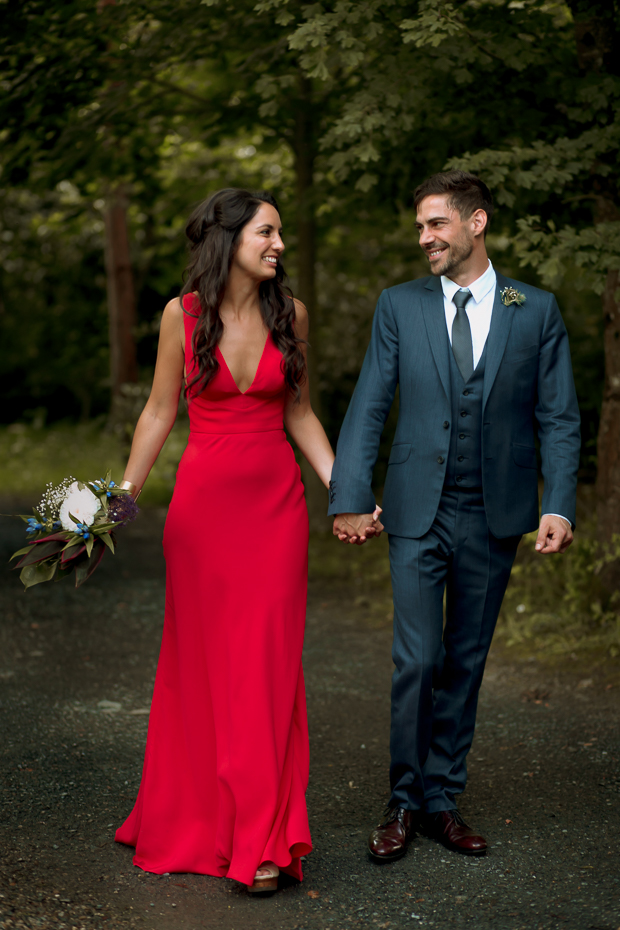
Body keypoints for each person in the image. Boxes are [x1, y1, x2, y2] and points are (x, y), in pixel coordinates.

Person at [328, 170, 580, 859]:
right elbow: (370, 405)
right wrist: (350, 494)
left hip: (493, 512)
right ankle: (405, 800)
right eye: (419, 227)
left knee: (466, 660)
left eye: (435, 224)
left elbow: (558, 417)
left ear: (476, 223)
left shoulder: (535, 309)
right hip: (415, 511)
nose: (424, 238)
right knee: (419, 657)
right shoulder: (398, 306)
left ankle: (444, 798)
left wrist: (558, 502)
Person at [115, 188, 337, 893]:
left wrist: (346, 489)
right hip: (202, 516)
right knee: (206, 670)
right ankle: (198, 818)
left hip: (274, 513)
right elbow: (158, 413)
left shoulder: (291, 315)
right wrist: (118, 502)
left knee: (266, 669)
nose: (278, 245)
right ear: (229, 239)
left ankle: (263, 840)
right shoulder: (180, 319)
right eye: (267, 233)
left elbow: (300, 413)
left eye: (280, 234)